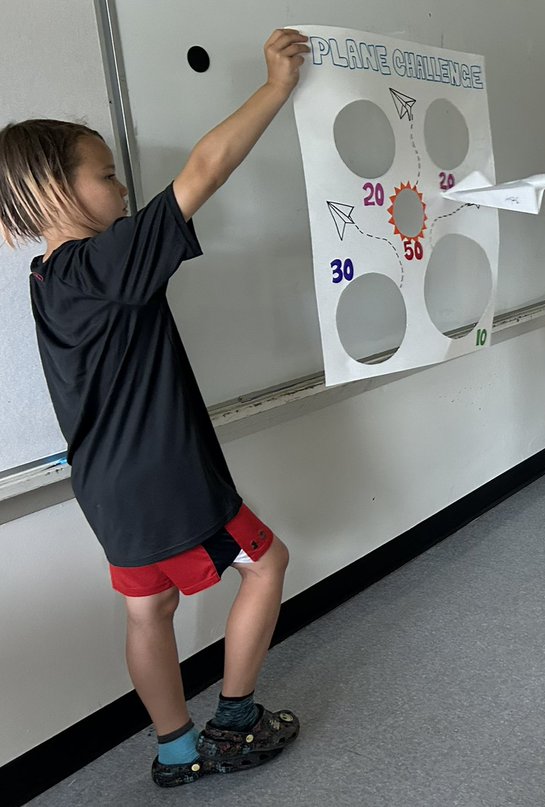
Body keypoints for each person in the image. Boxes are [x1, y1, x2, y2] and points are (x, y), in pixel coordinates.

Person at [0, 29, 310, 788]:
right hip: (167, 477)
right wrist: (276, 86)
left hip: (108, 485)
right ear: (52, 193)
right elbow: (205, 170)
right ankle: (233, 727)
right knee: (267, 563)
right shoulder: (104, 261)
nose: (124, 189)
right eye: (107, 176)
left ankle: (176, 752)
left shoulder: (50, 276)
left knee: (151, 610)